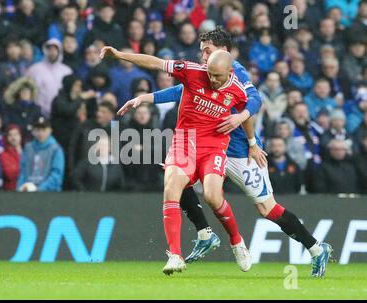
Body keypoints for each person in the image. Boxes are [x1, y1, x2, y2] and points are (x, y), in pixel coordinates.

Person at [135, 28, 333, 277]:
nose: (203, 56)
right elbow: (184, 90)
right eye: (202, 51)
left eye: (207, 50)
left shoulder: (234, 71)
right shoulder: (207, 69)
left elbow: (255, 99)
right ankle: (205, 234)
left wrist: (246, 131)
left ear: (223, 51)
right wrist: (149, 97)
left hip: (239, 152)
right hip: (210, 144)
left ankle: (316, 248)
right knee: (175, 176)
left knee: (267, 209)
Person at [101, 46, 256, 275]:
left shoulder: (237, 90)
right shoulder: (192, 71)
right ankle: (175, 255)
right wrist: (120, 55)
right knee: (171, 186)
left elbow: (246, 115)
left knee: (213, 196)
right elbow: (155, 62)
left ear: (230, 71)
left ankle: (236, 241)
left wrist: (252, 143)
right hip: (185, 140)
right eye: (210, 74)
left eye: (217, 76)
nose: (211, 79)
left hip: (214, 145)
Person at [25, 38, 72, 117]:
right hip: (38, 113)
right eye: (49, 49)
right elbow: (27, 90)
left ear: (59, 51)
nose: (52, 52)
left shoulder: (67, 71)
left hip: (60, 114)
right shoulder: (34, 69)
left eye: (54, 50)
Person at [17, 117, 65, 192]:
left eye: (44, 130)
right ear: (33, 131)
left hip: (50, 194)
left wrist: (39, 189)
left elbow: (56, 175)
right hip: (28, 193)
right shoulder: (28, 148)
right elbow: (22, 171)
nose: (40, 133)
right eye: (37, 130)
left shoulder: (56, 149)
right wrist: (20, 188)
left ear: (50, 131)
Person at [2, 77, 42, 142]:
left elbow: (40, 125)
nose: (25, 94)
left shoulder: (36, 109)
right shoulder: (10, 108)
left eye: (28, 92)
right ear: (18, 93)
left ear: (31, 94)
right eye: (23, 91)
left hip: (32, 140)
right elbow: (6, 124)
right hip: (14, 140)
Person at [0, 125, 23, 191]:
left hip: (26, 189)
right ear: (7, 137)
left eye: (16, 134)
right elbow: (9, 174)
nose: (13, 137)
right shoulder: (4, 155)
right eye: (10, 135)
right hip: (11, 190)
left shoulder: (27, 152)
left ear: (20, 136)